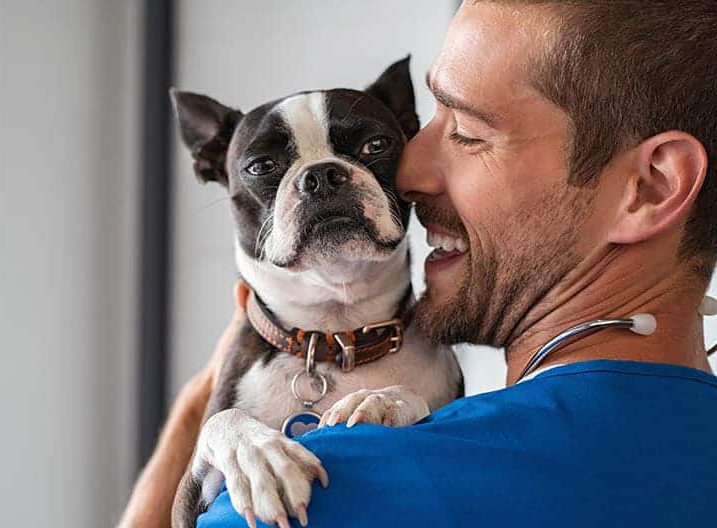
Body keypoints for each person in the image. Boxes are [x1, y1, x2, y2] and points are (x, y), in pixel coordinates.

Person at [120, 1, 717, 526]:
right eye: (423, 124)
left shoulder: (321, 489)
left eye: (467, 131)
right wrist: (207, 405)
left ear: (651, 188)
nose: (408, 173)